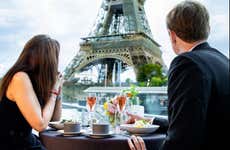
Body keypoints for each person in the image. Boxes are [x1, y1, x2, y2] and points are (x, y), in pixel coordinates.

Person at [127, 1, 230, 150]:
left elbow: (182, 140)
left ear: (172, 35)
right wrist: (148, 120)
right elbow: (194, 121)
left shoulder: (187, 63)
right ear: (207, 29)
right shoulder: (224, 61)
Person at [0, 35, 63, 150]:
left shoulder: (33, 81)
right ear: (47, 59)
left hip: (23, 142)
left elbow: (55, 117)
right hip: (10, 144)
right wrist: (53, 93)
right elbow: (40, 125)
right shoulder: (20, 78)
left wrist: (58, 89)